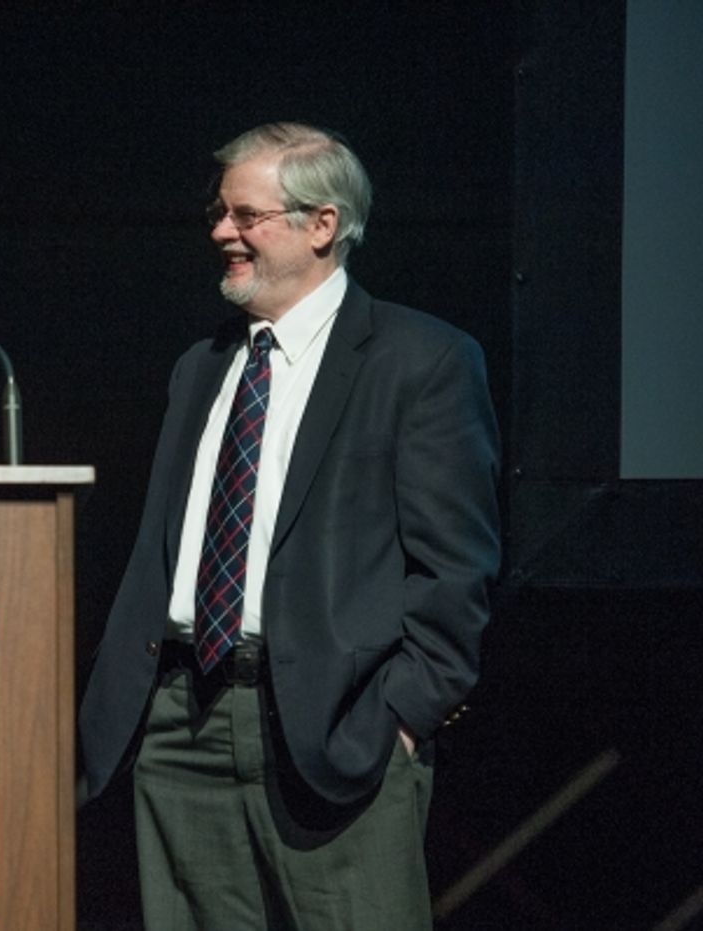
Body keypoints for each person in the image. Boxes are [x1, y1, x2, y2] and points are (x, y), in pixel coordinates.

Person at [77, 123, 500, 929]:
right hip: (179, 725)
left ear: (322, 224)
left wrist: (403, 714)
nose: (220, 233)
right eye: (219, 213)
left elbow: (459, 567)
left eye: (246, 215)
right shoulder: (201, 365)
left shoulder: (420, 359)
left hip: (337, 735)